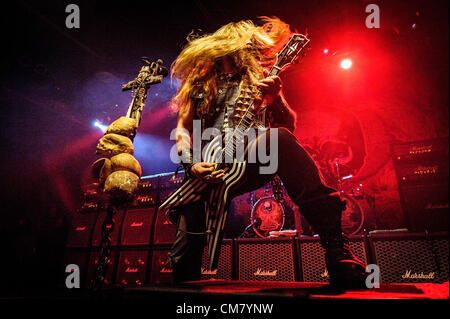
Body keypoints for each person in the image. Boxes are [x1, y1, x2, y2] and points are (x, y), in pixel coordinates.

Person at [168, 17, 366, 288]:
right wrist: (191, 164)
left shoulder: (260, 78)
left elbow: (290, 126)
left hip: (250, 155)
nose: (251, 50)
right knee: (185, 257)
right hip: (206, 168)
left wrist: (276, 100)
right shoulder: (200, 86)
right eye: (245, 44)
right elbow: (181, 129)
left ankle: (337, 251)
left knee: (280, 138)